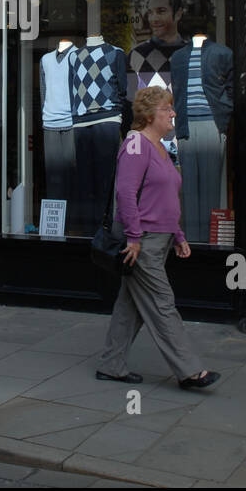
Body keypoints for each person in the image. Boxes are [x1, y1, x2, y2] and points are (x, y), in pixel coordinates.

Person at [96, 87, 220, 391]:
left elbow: (165, 197)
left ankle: (112, 365)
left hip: (159, 238)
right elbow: (125, 193)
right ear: (150, 115)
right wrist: (135, 238)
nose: (173, 114)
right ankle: (190, 371)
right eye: (167, 109)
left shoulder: (161, 147)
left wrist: (178, 234)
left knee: (130, 306)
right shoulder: (136, 144)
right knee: (163, 304)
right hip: (143, 241)